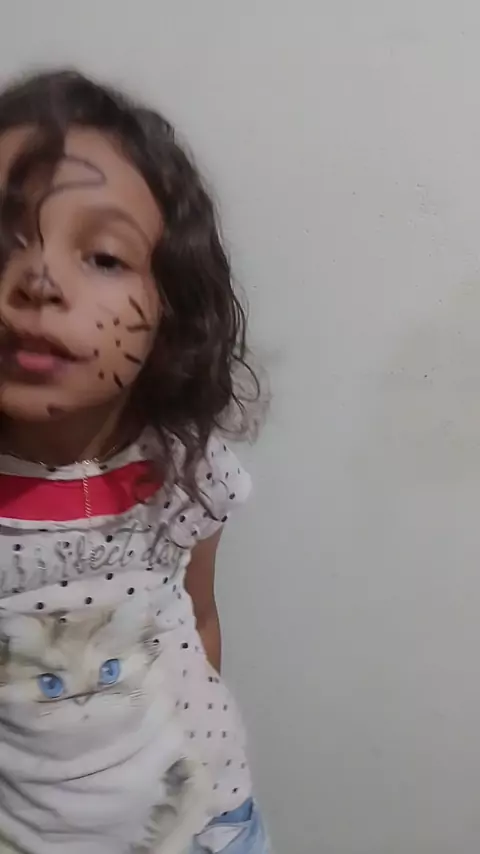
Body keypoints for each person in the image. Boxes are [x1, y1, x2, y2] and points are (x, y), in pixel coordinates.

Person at [0, 69, 269, 854]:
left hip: (209, 827)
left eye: (104, 257)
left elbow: (200, 614)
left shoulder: (185, 466)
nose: (39, 281)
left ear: (171, 309)